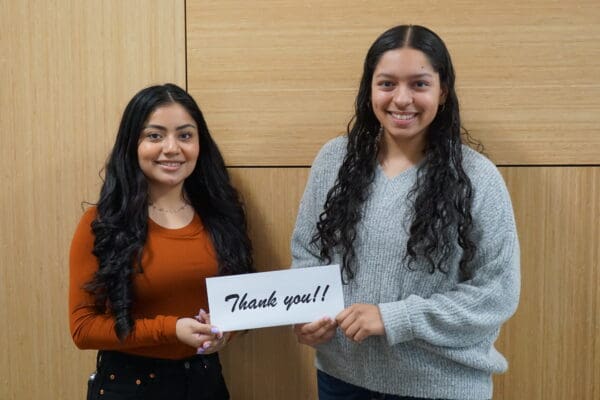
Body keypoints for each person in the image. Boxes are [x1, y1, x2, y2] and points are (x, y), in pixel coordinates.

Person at [291, 25, 520, 400]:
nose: (401, 99)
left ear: (442, 91)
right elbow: (307, 254)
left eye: (419, 84)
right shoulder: (333, 160)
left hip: (440, 386)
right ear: (369, 89)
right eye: (386, 84)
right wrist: (306, 314)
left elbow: (496, 292)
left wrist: (395, 317)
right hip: (341, 379)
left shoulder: (476, 177)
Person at [69, 83, 253, 400]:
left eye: (185, 135)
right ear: (132, 144)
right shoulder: (101, 224)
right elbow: (83, 328)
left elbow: (242, 301)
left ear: (200, 144)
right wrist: (170, 330)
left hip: (206, 382)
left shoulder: (222, 216)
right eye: (155, 135)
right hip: (128, 386)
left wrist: (227, 332)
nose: (171, 148)